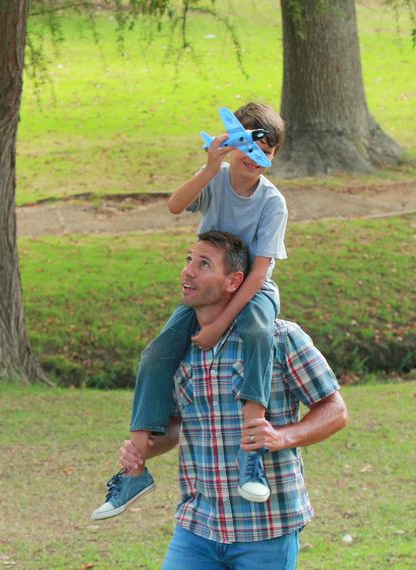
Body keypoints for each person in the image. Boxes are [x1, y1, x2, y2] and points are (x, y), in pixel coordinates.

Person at [92, 103, 290, 520]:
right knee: (156, 354)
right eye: (250, 146)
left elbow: (258, 274)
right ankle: (134, 468)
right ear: (231, 145)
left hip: (251, 291)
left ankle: (251, 452)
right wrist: (208, 167)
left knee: (257, 334)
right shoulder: (216, 182)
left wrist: (220, 323)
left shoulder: (273, 202)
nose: (258, 158)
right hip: (208, 286)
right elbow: (175, 205)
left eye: (268, 152)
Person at [118, 232, 348, 568]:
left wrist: (282, 437)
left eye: (204, 264)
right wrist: (146, 450)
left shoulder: (280, 338)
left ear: (233, 281)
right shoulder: (178, 349)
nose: (188, 271)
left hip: (266, 528)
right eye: (188, 260)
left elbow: (335, 411)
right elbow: (175, 428)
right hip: (198, 527)